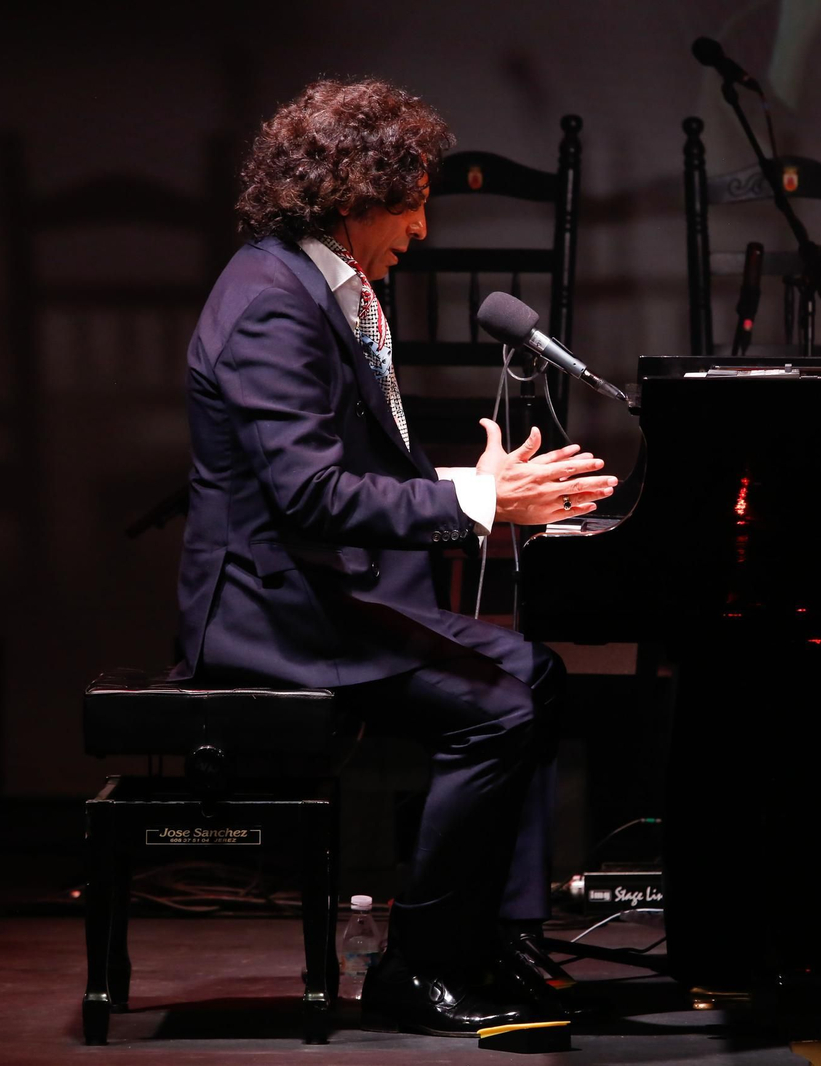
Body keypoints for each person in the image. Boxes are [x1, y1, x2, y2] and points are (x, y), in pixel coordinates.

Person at [172, 77, 616, 1036]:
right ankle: (421, 963)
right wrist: (476, 500)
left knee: (533, 675)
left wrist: (485, 488)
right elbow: (309, 495)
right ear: (352, 194)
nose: (421, 228)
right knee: (496, 709)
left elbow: (352, 469)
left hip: (320, 593)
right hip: (268, 615)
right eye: (412, 201)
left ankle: (500, 935)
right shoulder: (272, 305)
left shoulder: (325, 287)